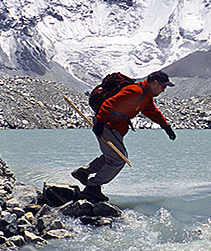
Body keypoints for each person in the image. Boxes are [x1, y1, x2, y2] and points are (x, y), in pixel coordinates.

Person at [72, 70, 176, 202]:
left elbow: (152, 112)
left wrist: (166, 127)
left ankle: (83, 172)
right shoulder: (135, 91)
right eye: (163, 86)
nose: (163, 90)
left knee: (112, 156)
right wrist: (100, 122)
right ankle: (92, 188)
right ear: (155, 83)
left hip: (113, 127)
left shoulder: (145, 95)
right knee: (119, 159)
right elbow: (109, 103)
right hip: (107, 125)